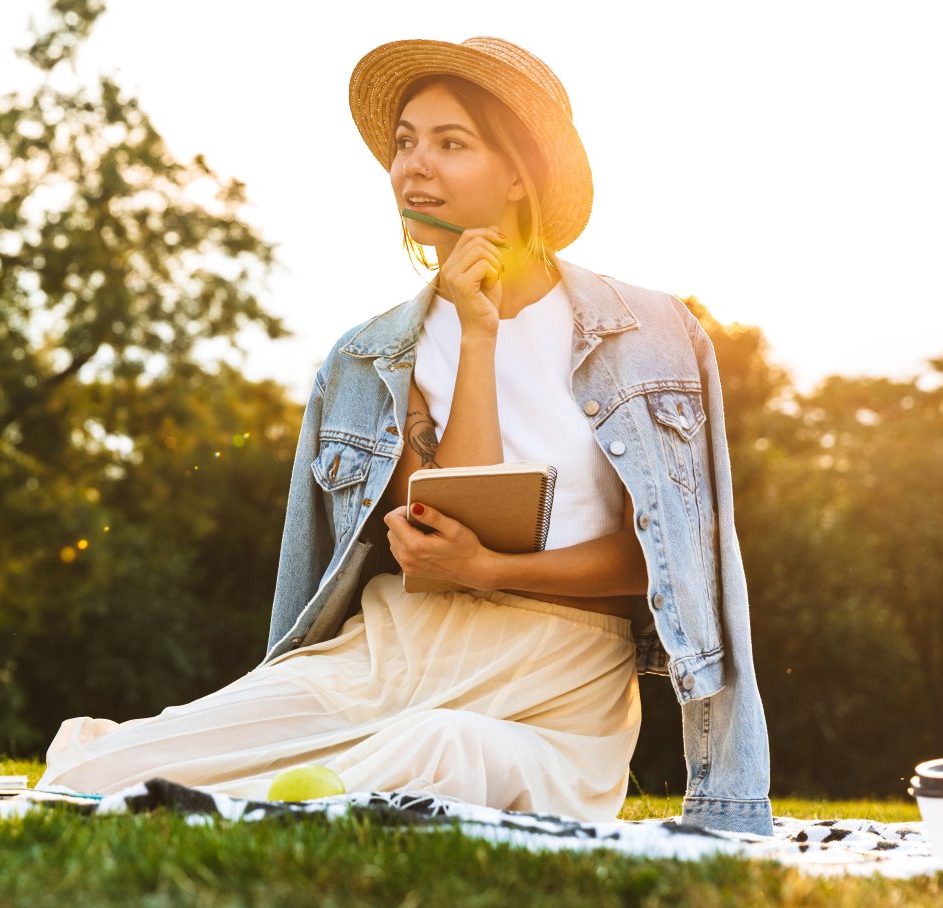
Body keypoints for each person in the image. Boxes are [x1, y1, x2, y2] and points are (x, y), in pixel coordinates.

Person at [38, 36, 773, 836]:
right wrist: (477, 337)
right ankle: (288, 804)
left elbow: (666, 565)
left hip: (556, 675)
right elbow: (448, 533)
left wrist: (493, 570)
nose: (414, 167)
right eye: (405, 143)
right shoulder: (370, 357)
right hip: (389, 652)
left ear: (520, 174)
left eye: (451, 144)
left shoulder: (652, 336)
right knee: (93, 772)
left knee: (438, 751)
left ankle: (290, 810)